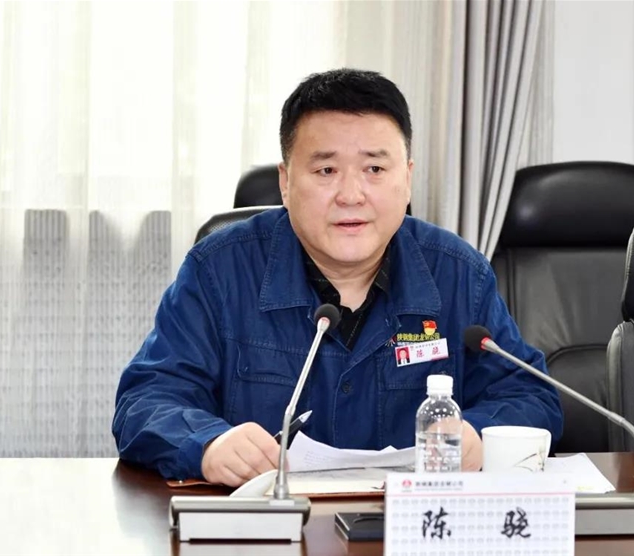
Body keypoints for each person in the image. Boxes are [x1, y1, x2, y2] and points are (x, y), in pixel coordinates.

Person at [113, 68, 563, 487]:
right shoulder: (220, 271)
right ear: (286, 182)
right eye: (326, 170)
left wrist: (478, 435)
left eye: (374, 169)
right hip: (272, 526)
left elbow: (532, 396)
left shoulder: (458, 275)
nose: (351, 195)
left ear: (407, 179)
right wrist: (208, 443)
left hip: (412, 527)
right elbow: (146, 401)